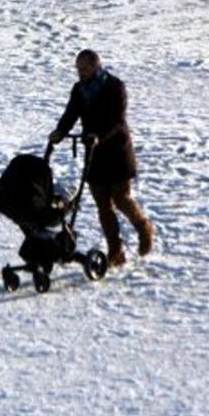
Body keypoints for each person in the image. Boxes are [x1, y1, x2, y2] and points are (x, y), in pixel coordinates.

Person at [49, 49, 154, 266]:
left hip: (116, 151)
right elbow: (71, 113)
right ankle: (115, 251)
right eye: (78, 69)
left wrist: (98, 136)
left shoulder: (115, 86)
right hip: (94, 153)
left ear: (97, 66)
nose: (80, 73)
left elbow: (118, 120)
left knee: (121, 198)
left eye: (85, 68)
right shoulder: (79, 90)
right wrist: (59, 132)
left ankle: (144, 227)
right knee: (103, 205)